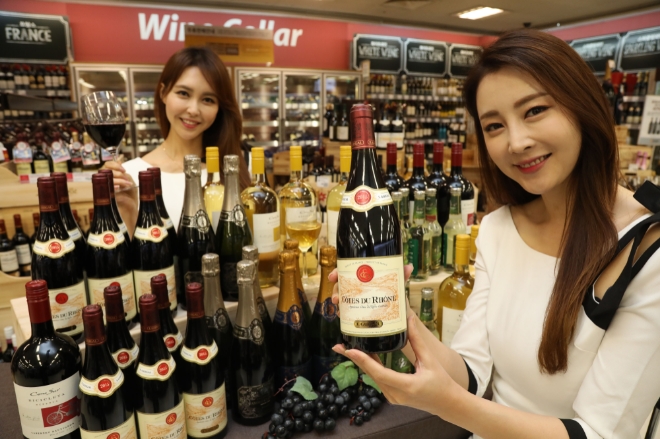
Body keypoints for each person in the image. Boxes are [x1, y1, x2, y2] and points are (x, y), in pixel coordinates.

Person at [331, 29, 660, 439]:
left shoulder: (647, 248)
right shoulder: (498, 228)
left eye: (534, 110)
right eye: (494, 126)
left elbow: (601, 433)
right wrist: (394, 314)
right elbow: (470, 372)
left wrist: (446, 404)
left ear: (583, 106)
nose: (516, 142)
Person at [104, 46, 251, 234]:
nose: (193, 110)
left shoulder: (239, 168)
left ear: (219, 109)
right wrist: (127, 211)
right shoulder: (131, 176)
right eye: (183, 93)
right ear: (163, 93)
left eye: (208, 99)